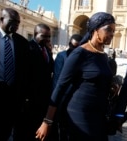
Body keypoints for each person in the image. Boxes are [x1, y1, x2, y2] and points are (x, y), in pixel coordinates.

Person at [35, 12, 116, 141]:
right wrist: (48, 121)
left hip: (99, 115)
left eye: (114, 30)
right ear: (95, 29)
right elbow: (60, 86)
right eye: (109, 30)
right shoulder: (79, 53)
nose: (112, 34)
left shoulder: (103, 55)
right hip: (80, 115)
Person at [13, 23, 56, 141]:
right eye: (45, 36)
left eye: (49, 37)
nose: (47, 39)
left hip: (42, 98)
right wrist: (25, 97)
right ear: (36, 34)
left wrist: (51, 52)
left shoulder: (46, 49)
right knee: (25, 129)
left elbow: (50, 68)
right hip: (29, 98)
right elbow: (22, 74)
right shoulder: (28, 47)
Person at [0, 8, 30, 140]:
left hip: (14, 93)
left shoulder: (22, 42)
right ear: (2, 20)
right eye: (13, 21)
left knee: (7, 128)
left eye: (18, 23)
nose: (16, 25)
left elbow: (25, 71)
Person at [53, 33, 82, 141]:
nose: (73, 49)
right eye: (72, 45)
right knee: (63, 128)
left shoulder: (83, 58)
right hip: (63, 99)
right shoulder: (62, 56)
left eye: (76, 47)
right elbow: (57, 80)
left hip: (77, 100)